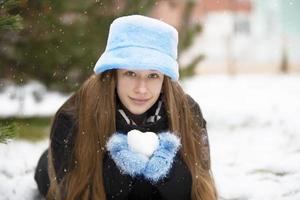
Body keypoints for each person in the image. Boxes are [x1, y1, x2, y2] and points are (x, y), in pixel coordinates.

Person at [34, 15, 217, 200]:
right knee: (45, 167)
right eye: (130, 73)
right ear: (113, 74)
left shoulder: (187, 112)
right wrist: (119, 166)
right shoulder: (74, 116)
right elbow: (75, 192)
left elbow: (199, 189)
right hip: (59, 172)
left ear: (165, 79)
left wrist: (167, 169)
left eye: (153, 75)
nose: (141, 88)